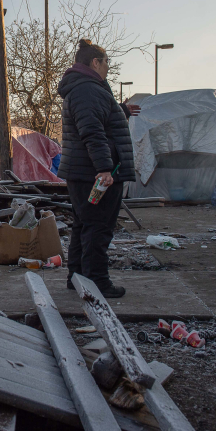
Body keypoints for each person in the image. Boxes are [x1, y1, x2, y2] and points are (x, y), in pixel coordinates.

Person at [57, 39, 138, 298]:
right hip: (96, 174)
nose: (108, 69)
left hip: (85, 171)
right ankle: (97, 282)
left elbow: (97, 120)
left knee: (85, 225)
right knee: (98, 227)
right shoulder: (87, 89)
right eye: (106, 63)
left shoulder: (86, 88)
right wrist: (104, 168)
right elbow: (92, 131)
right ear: (95, 62)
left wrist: (119, 110)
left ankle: (78, 277)